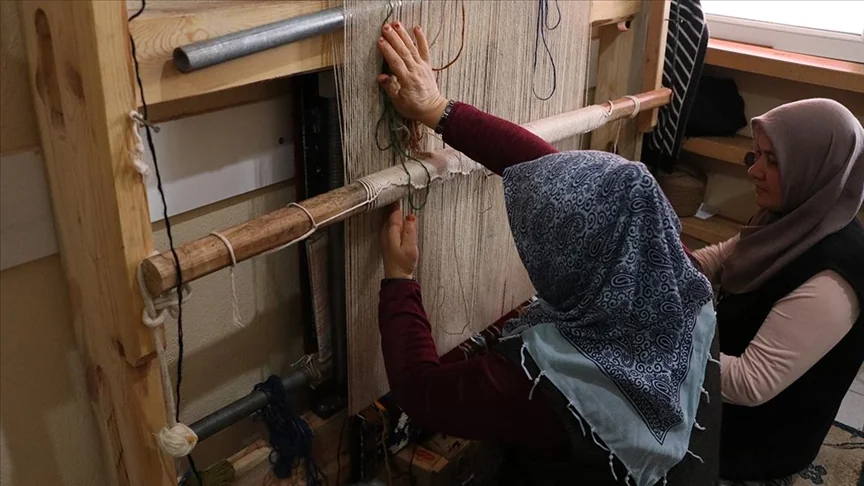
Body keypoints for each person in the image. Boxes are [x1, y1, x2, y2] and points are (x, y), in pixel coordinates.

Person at [374, 22, 720, 485]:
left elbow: (420, 393)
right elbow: (547, 173)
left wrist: (399, 280)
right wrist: (439, 110)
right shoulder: (680, 276)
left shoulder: (547, 386)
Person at [689, 99, 864, 486]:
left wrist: (660, 340)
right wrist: (663, 270)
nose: (754, 170)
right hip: (728, 382)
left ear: (814, 167)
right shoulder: (795, 217)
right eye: (757, 155)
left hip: (756, 436)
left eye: (773, 161)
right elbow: (722, 256)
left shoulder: (835, 276)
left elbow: (751, 383)